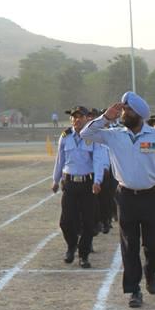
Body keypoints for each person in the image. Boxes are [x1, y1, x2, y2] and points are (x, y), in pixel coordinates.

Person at [81, 92, 155, 309]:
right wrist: (106, 117)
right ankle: (134, 290)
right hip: (126, 198)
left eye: (128, 110)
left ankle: (150, 272)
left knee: (153, 245)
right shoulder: (114, 135)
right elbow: (86, 133)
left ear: (139, 114)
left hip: (152, 196)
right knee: (129, 245)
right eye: (123, 109)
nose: (123, 113)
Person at [51, 106, 104, 268]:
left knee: (88, 222)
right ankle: (71, 246)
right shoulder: (65, 136)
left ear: (87, 118)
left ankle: (84, 255)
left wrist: (98, 181)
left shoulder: (93, 136)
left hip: (88, 184)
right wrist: (55, 179)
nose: (77, 120)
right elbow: (60, 159)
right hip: (70, 183)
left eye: (80, 116)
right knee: (66, 221)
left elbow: (98, 159)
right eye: (74, 117)